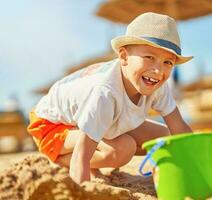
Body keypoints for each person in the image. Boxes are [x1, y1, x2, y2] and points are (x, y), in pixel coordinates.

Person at [27, 12, 193, 184]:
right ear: (123, 57)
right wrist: (84, 192)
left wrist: (196, 165)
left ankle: (94, 158)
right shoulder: (104, 93)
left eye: (168, 62)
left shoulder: (157, 83)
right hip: (50, 126)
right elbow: (82, 155)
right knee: (123, 149)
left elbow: (178, 127)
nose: (158, 70)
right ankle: (61, 161)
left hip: (90, 117)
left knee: (166, 139)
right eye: (149, 57)